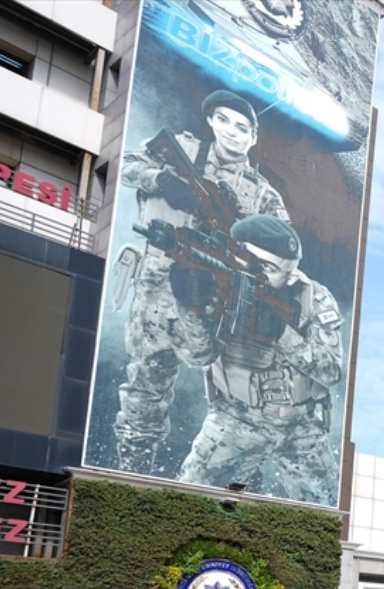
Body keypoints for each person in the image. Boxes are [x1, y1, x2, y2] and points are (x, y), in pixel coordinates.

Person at [111, 91, 292, 476]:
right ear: (210, 120)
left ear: (254, 138)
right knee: (145, 383)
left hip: (211, 301)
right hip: (155, 289)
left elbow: (283, 255)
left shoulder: (264, 195)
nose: (232, 132)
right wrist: (160, 179)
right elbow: (123, 164)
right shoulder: (181, 151)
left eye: (243, 127)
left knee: (234, 396)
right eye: (223, 120)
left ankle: (230, 475)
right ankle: (131, 471)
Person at [173, 214, 345, 504]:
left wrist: (282, 334)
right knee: (186, 500)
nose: (250, 270)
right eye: (245, 258)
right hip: (236, 416)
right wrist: (190, 306)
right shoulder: (217, 285)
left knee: (324, 516)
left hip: (300, 424)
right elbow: (198, 356)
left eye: (267, 268)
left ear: (291, 275)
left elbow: (330, 371)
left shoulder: (313, 297)